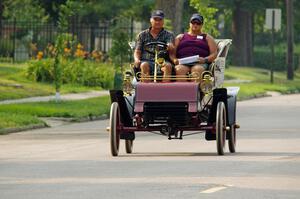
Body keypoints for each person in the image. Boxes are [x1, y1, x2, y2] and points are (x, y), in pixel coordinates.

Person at [171, 13, 217, 81]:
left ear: (202, 25)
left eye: (198, 23)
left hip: (199, 63)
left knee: (197, 70)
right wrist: (174, 60)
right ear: (189, 23)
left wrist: (205, 59)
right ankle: (182, 91)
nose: (195, 25)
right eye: (193, 22)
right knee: (179, 69)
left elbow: (214, 54)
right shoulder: (180, 37)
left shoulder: (207, 38)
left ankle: (195, 91)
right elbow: (172, 52)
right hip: (183, 62)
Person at [134, 10, 175, 82]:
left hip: (162, 61)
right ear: (151, 20)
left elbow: (171, 46)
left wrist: (170, 46)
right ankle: (148, 90)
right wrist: (137, 59)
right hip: (146, 60)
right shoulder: (142, 35)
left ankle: (165, 90)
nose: (157, 22)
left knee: (168, 66)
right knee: (144, 65)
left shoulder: (169, 35)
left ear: (163, 21)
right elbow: (137, 51)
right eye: (155, 19)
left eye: (160, 20)